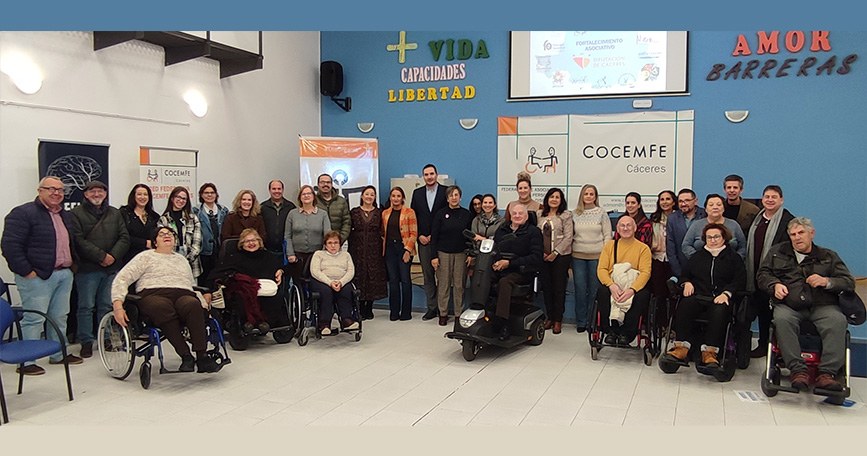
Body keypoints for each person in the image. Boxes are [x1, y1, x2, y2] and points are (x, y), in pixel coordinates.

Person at [756, 217, 854, 392]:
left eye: (801, 233)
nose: (797, 237)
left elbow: (848, 282)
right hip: (789, 304)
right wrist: (774, 285)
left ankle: (827, 373)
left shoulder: (828, 256)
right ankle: (797, 370)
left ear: (811, 233)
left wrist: (827, 281)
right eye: (792, 234)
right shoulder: (777, 252)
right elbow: (763, 274)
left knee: (837, 321)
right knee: (782, 319)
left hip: (822, 304)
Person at [110, 226, 221, 373]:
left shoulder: (181, 259)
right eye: (161, 234)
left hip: (182, 293)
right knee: (161, 306)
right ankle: (186, 355)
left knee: (193, 304)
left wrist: (202, 296)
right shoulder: (145, 257)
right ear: (155, 241)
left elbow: (190, 285)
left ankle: (202, 357)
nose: (166, 236)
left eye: (170, 234)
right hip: (153, 293)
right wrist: (117, 305)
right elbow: (122, 279)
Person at [1, 176, 83, 374]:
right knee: (34, 319)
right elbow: (10, 246)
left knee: (59, 317)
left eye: (61, 190)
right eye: (51, 189)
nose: (57, 193)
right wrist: (27, 271)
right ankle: (27, 362)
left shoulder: (66, 215)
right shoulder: (23, 213)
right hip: (37, 277)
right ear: (40, 190)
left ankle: (58, 354)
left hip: (64, 273)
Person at [661, 224, 746, 369]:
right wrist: (686, 283)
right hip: (699, 295)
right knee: (685, 304)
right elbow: (684, 275)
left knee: (719, 310)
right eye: (709, 237)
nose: (712, 240)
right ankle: (681, 347)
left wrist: (727, 293)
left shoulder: (733, 258)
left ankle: (710, 352)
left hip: (721, 297)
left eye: (716, 237)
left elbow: (739, 280)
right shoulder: (698, 256)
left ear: (724, 238)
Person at [69, 180, 130, 359]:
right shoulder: (75, 214)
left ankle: (105, 338)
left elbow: (124, 237)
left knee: (106, 304)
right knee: (85, 306)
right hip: (88, 268)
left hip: (112, 267)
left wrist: (112, 256)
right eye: (92, 191)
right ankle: (86, 341)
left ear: (105, 194)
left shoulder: (114, 212)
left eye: (100, 191)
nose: (97, 194)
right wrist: (101, 256)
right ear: (86, 194)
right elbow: (78, 240)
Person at [745, 185, 796, 358]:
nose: (770, 200)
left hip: (776, 275)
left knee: (775, 312)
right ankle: (763, 344)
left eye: (774, 197)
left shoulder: (789, 221)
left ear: (781, 200)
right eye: (767, 196)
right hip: (755, 271)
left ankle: (779, 348)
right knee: (761, 310)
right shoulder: (758, 218)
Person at [205, 228, 286, 334]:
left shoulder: (269, 257)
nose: (251, 243)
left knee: (276, 294)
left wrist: (281, 270)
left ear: (259, 242)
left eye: (254, 240)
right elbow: (216, 273)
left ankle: (266, 322)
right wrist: (208, 290)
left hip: (266, 291)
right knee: (240, 294)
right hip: (243, 293)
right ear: (241, 244)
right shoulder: (234, 258)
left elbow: (284, 267)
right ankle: (249, 322)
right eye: (247, 241)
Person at [596, 215, 652, 346]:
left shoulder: (643, 248)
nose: (625, 228)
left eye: (629, 225)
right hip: (614, 283)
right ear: (617, 228)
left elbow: (645, 272)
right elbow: (602, 269)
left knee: (642, 295)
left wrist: (632, 290)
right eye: (622, 225)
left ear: (635, 228)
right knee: (602, 292)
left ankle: (627, 333)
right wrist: (611, 285)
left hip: (633, 284)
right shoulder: (609, 246)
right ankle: (610, 331)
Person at [491, 203, 543, 341]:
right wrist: (496, 262)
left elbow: (536, 257)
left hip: (522, 271)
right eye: (514, 213)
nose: (517, 216)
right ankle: (484, 316)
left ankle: (503, 323)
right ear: (510, 215)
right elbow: (494, 250)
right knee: (482, 277)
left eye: (521, 214)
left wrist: (510, 263)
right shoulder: (502, 230)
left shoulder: (533, 232)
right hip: (501, 268)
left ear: (526, 216)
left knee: (504, 282)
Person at [430, 185, 473, 326]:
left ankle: (458, 314)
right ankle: (442, 313)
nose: (453, 198)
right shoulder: (440, 214)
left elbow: (470, 237)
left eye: (456, 195)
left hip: (461, 253)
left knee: (459, 285)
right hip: (443, 254)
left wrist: (470, 254)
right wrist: (434, 256)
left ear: (460, 197)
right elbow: (434, 237)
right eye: (451, 195)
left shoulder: (466, 214)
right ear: (447, 198)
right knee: (443, 285)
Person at [571, 183, 611, 333]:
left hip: (597, 256)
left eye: (591, 194)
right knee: (580, 290)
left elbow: (608, 235)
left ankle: (592, 321)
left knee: (595, 290)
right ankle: (581, 322)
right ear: (582, 196)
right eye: (586, 194)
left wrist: (605, 255)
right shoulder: (574, 213)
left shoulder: (602, 213)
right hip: (578, 256)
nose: (588, 196)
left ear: (595, 196)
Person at [410, 164, 448, 321]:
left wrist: (435, 234)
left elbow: (449, 214)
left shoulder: (446, 192)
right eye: (426, 174)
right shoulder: (417, 193)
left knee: (443, 276)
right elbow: (414, 217)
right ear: (423, 177)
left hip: (442, 241)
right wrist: (419, 235)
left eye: (432, 173)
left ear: (437, 175)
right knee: (428, 275)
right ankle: (432, 308)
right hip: (423, 241)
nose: (429, 176)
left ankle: (443, 308)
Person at [537, 187, 572, 334]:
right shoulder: (540, 214)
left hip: (561, 257)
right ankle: (549, 317)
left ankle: (558, 320)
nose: (554, 199)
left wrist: (555, 253)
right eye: (551, 197)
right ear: (547, 199)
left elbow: (568, 236)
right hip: (543, 256)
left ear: (561, 200)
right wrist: (543, 253)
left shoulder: (566, 215)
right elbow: (536, 235)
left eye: (557, 197)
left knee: (559, 289)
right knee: (547, 288)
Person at [348, 185, 387, 320]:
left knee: (372, 277)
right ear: (362, 196)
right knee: (358, 277)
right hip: (356, 250)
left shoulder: (379, 212)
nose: (369, 196)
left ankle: (369, 308)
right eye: (367, 194)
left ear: (375, 197)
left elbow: (383, 232)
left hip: (374, 250)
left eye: (372, 194)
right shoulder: (354, 212)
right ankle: (358, 307)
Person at [309, 231, 358, 334]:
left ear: (340, 244)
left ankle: (346, 320)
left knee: (346, 290)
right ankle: (324, 324)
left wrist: (341, 282)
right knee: (326, 292)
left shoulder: (346, 255)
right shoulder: (318, 254)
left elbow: (350, 271)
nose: (333, 245)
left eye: (336, 243)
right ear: (325, 245)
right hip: (322, 281)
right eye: (330, 243)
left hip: (341, 281)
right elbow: (315, 272)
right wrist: (330, 282)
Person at [381, 187, 417, 321]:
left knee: (405, 281)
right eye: (393, 196)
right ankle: (394, 312)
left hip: (404, 248)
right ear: (390, 198)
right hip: (390, 249)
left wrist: (408, 250)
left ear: (402, 198)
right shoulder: (385, 213)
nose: (396, 198)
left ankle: (406, 312)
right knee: (393, 281)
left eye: (398, 196)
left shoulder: (409, 212)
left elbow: (414, 233)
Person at [284, 184, 331, 283]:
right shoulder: (292, 214)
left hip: (317, 256)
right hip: (297, 256)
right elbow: (287, 236)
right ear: (300, 197)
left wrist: (324, 254)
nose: (306, 196)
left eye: (309, 193)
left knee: (315, 283)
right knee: (298, 283)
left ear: (313, 196)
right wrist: (290, 254)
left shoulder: (323, 214)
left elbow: (328, 236)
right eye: (303, 194)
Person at [682, 194, 746, 260]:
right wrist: (698, 259)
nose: (715, 207)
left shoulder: (734, 224)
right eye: (711, 205)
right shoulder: (696, 225)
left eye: (719, 205)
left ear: (724, 208)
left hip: (730, 265)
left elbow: (743, 246)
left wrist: (736, 260)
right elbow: (686, 245)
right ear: (706, 209)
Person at [157, 186, 203, 279]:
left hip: (191, 265)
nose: (181, 200)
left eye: (184, 198)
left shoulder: (192, 218)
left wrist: (185, 261)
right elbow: (162, 244)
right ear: (172, 198)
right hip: (170, 265)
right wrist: (174, 261)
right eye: (178, 197)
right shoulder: (163, 220)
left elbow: (197, 244)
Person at [648, 190, 676, 333]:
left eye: (668, 199)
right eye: (662, 199)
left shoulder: (678, 218)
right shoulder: (654, 219)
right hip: (657, 259)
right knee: (659, 293)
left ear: (673, 201)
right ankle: (660, 325)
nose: (665, 202)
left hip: (674, 260)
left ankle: (673, 327)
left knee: (673, 294)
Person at [192, 183, 228, 286]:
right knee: (205, 280)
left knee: (219, 280)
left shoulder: (223, 210)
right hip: (204, 251)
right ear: (201, 195)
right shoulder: (196, 211)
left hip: (220, 251)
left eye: (212, 193)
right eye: (206, 193)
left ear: (216, 195)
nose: (209, 195)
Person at [666, 188, 707, 278]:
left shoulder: (705, 214)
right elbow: (671, 247)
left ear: (695, 201)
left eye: (687, 200)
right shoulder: (672, 218)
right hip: (681, 267)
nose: (683, 204)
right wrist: (679, 272)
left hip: (704, 267)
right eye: (680, 201)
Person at [119, 184, 160, 266]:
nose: (142, 197)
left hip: (150, 259)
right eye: (139, 194)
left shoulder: (154, 216)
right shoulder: (124, 213)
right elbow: (122, 236)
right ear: (133, 196)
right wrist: (145, 243)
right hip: (129, 259)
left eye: (145, 194)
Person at [260, 179, 297, 255]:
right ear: (269, 190)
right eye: (274, 189)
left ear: (283, 190)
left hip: (285, 250)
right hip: (267, 250)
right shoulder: (262, 207)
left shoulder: (291, 207)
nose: (277, 191)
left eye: (279, 189)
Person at [315, 173, 351, 243]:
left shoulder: (341, 201)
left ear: (332, 184)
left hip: (337, 243)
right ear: (318, 185)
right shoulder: (313, 201)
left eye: (328, 182)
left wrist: (339, 240)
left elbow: (347, 223)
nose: (325, 184)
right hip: (317, 243)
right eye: (322, 182)